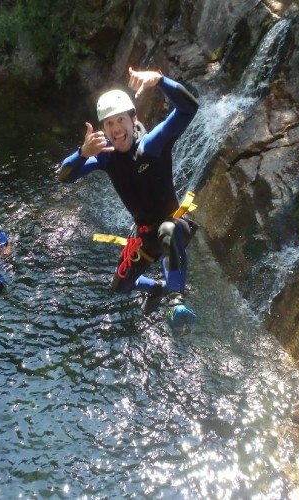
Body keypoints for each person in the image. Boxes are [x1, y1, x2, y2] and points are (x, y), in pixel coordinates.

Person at [58, 67, 199, 329]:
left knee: (167, 230)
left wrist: (160, 81)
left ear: (133, 120)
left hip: (173, 227)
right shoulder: (105, 155)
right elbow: (64, 176)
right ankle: (155, 289)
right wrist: (81, 152)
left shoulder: (152, 145)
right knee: (120, 286)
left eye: (120, 120)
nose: (116, 129)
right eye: (109, 123)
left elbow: (189, 109)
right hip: (143, 235)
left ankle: (176, 299)